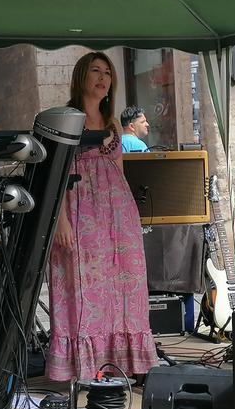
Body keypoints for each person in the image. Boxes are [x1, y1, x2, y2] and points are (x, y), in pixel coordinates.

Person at [48, 51, 158, 381]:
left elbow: (118, 172)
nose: (102, 77)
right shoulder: (65, 119)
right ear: (81, 76)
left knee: (126, 284)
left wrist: (127, 219)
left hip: (117, 211)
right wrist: (61, 220)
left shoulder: (112, 125)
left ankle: (123, 362)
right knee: (84, 287)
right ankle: (83, 366)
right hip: (78, 208)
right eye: (95, 70)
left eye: (107, 73)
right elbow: (55, 175)